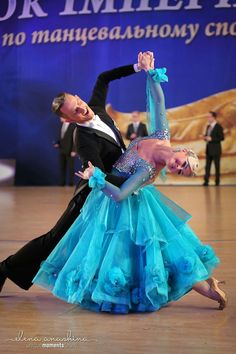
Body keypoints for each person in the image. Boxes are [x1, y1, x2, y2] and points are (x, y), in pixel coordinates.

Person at [32, 54, 227, 314]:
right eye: (182, 162)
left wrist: (98, 180)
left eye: (182, 171)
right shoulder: (161, 135)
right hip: (120, 192)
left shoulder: (148, 169)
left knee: (137, 254)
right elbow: (158, 101)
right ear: (183, 151)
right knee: (145, 251)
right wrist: (150, 72)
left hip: (124, 197)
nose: (178, 167)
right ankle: (204, 286)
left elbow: (121, 193)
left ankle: (203, 287)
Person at [0, 52, 152, 293]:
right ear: (69, 120)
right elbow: (99, 176)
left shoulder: (97, 109)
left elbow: (104, 78)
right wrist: (134, 180)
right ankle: (5, 268)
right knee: (56, 238)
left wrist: (138, 67)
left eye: (79, 103)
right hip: (90, 194)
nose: (83, 109)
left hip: (114, 187)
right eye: (76, 112)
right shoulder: (83, 139)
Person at [202, 111, 224, 186]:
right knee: (207, 166)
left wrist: (212, 139)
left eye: (209, 117)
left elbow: (222, 137)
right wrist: (204, 137)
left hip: (216, 150)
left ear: (214, 117)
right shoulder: (208, 126)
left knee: (217, 166)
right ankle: (206, 181)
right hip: (208, 149)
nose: (208, 118)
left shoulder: (218, 126)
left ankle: (217, 181)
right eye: (207, 117)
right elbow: (207, 136)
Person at [53, 118, 77, 186]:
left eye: (62, 117)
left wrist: (74, 150)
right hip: (62, 149)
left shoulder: (73, 125)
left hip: (70, 150)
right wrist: (57, 143)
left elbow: (75, 138)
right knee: (62, 167)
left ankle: (71, 183)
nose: (60, 118)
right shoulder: (61, 125)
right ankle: (62, 182)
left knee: (71, 167)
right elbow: (61, 136)